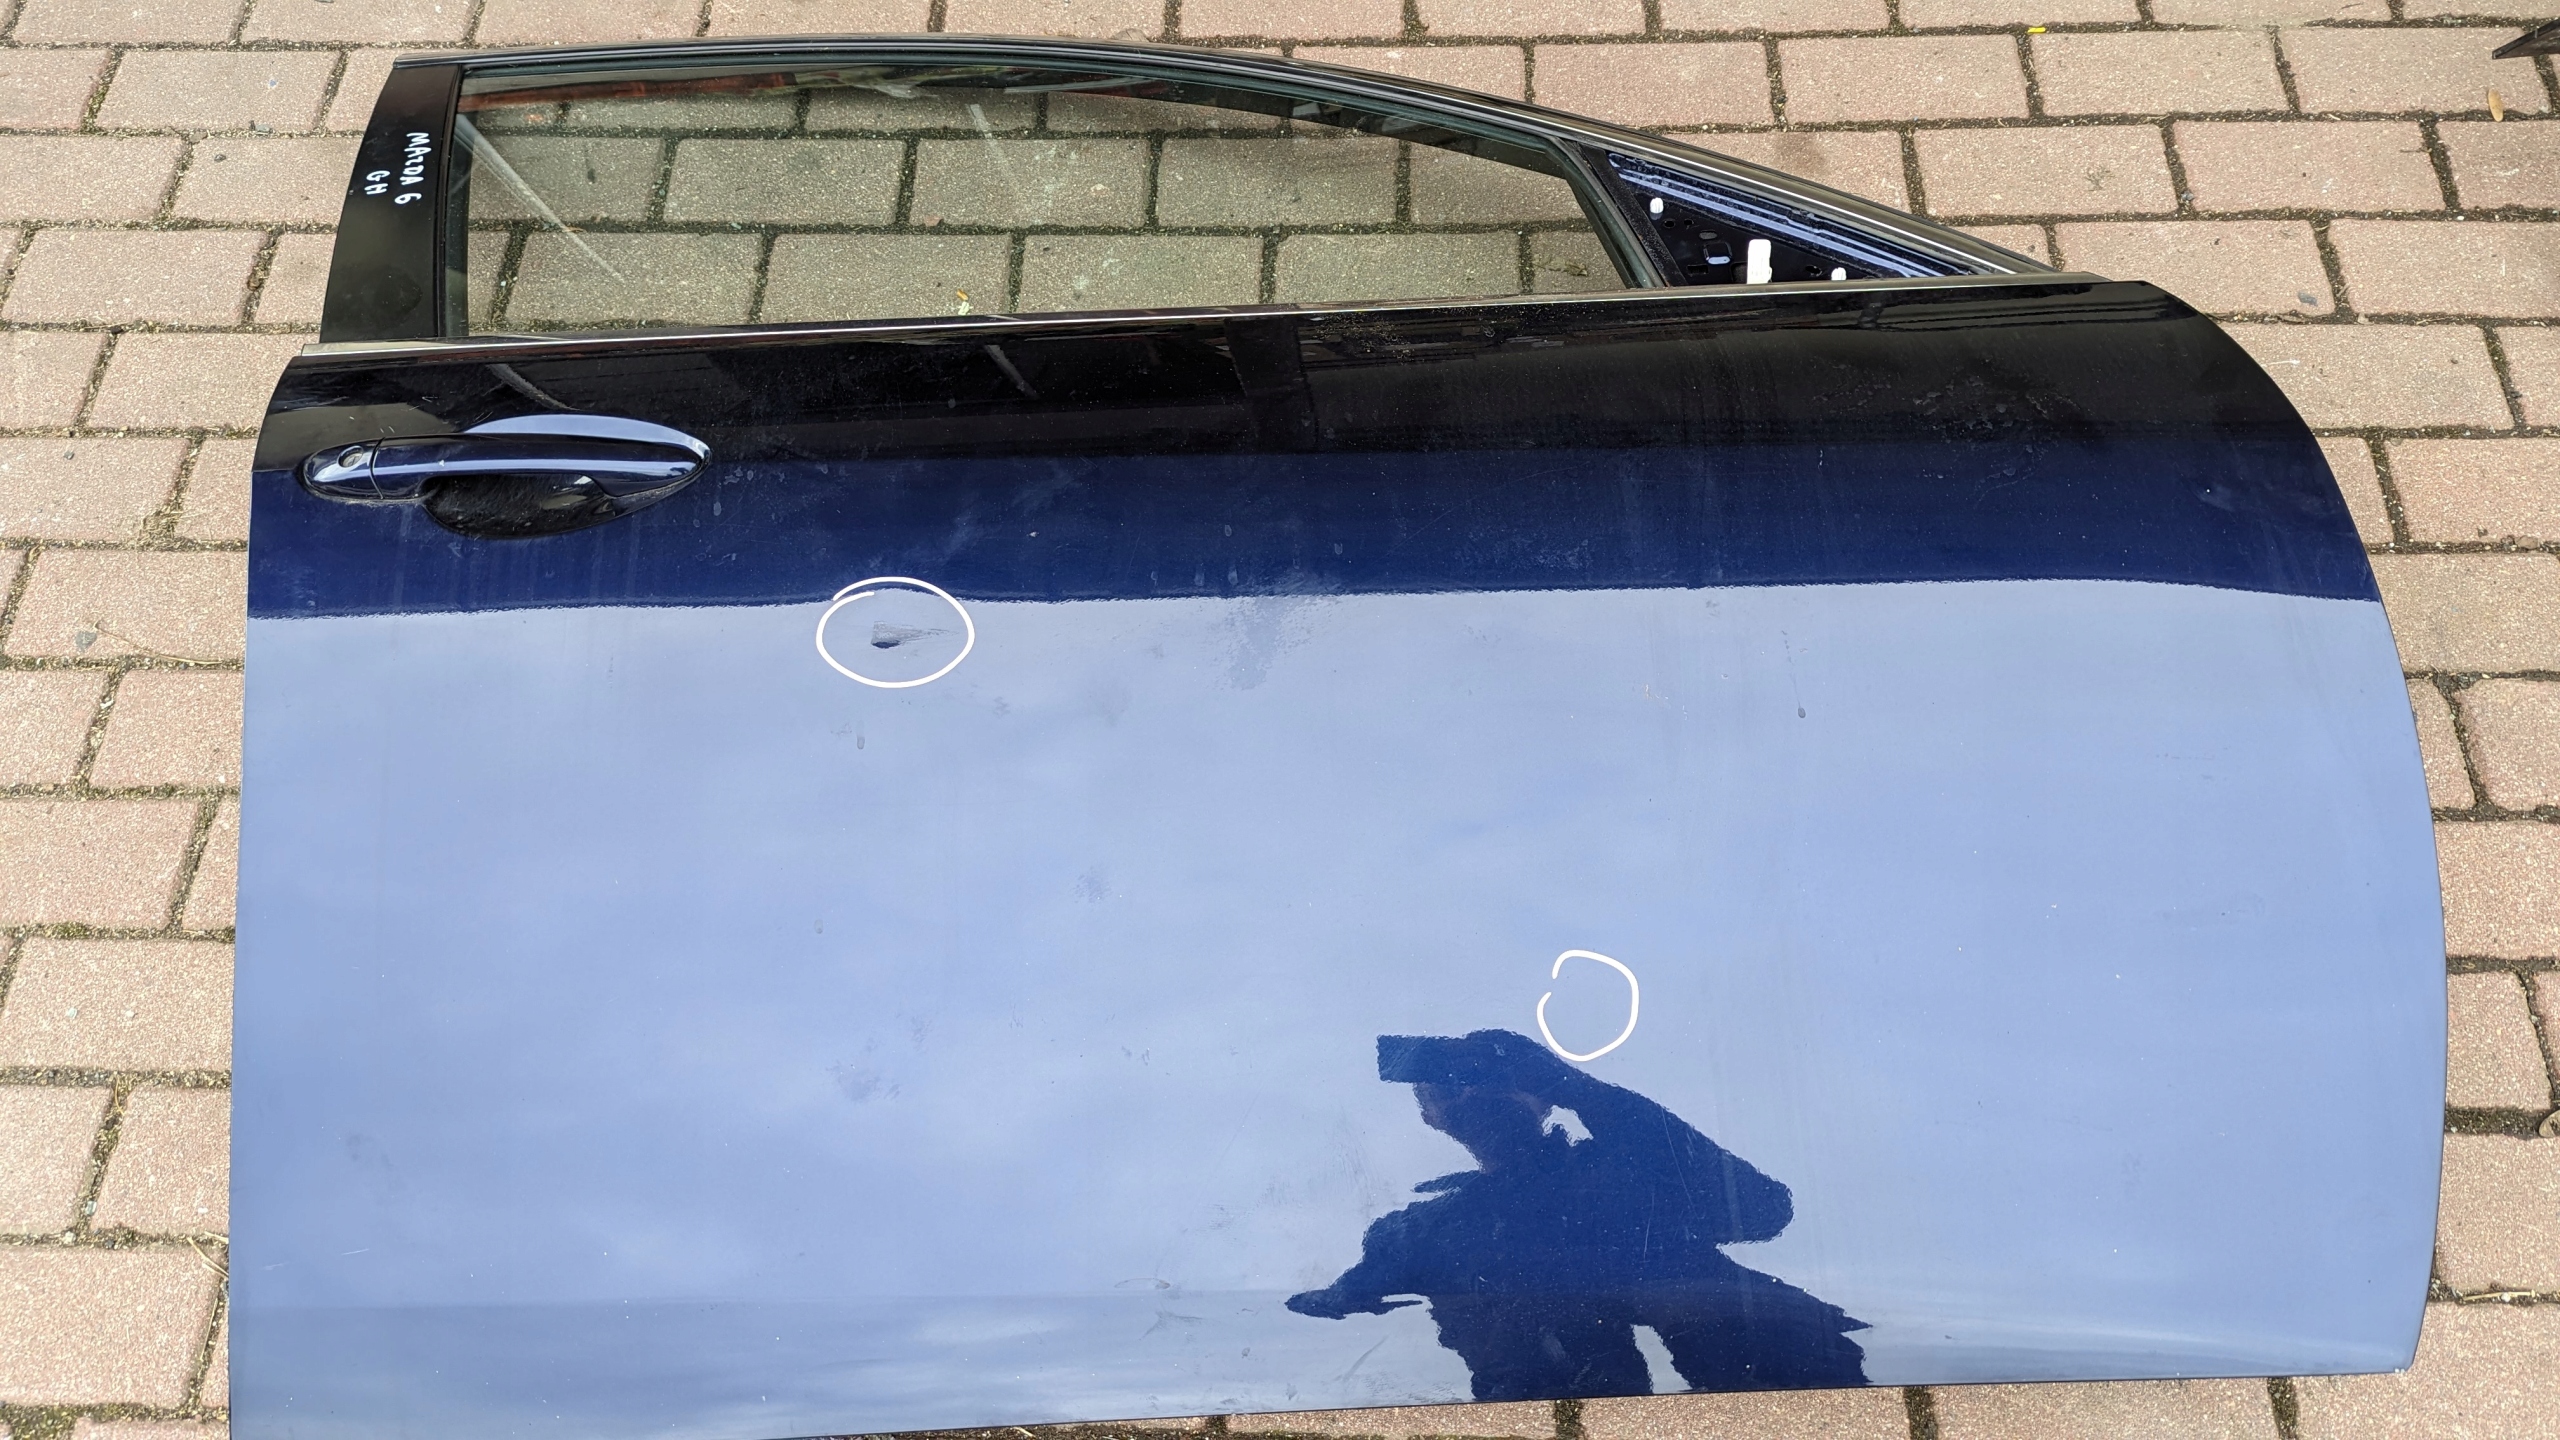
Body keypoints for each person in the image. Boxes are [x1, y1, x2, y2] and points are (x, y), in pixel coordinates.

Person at [1286, 1029, 1867, 1399]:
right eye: (1444, 1089)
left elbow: (1764, 1210)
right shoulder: (1420, 1234)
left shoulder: (1637, 1173)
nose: (1472, 1095)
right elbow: (1318, 1310)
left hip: (1777, 1405)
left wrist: (1586, 1091)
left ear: (1542, 1090)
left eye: (1492, 1079)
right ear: (1429, 1115)